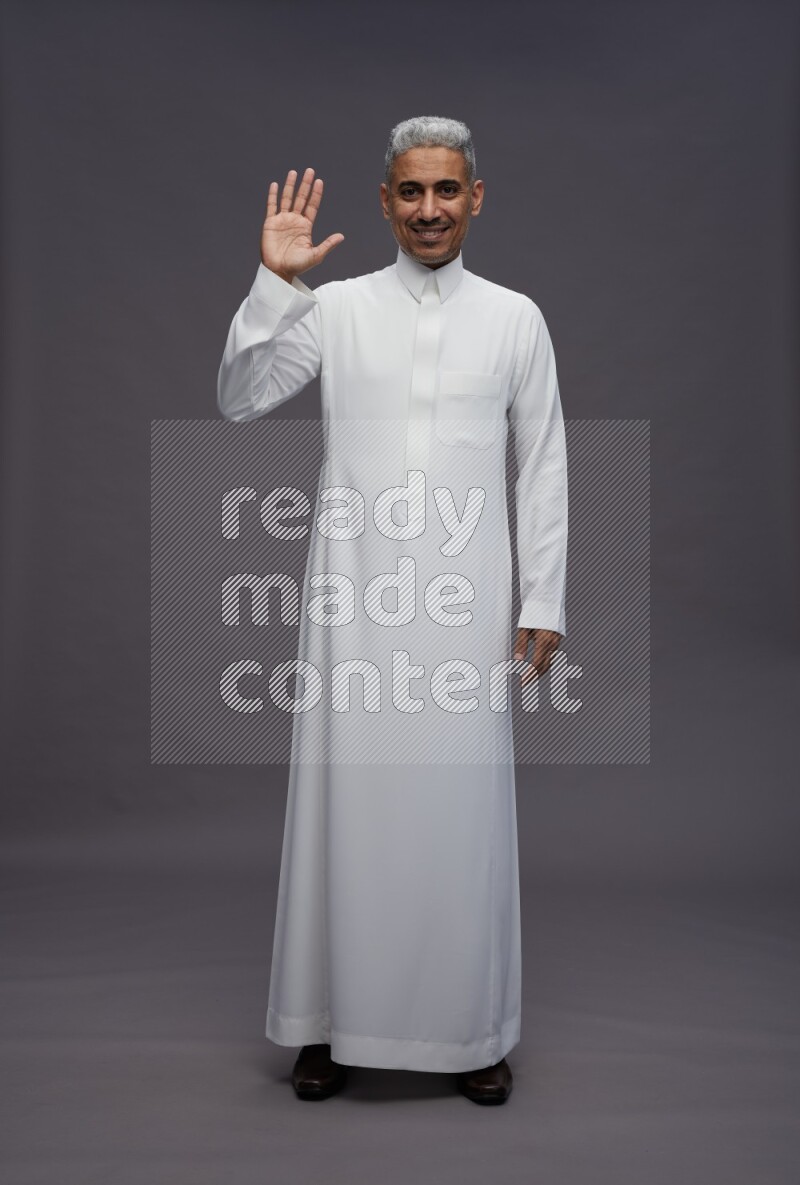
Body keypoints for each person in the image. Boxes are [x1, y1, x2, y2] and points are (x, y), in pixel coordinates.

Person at [217, 116, 568, 1105]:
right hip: (352, 601)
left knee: (457, 817)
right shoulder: (334, 309)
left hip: (466, 610)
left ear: (475, 198)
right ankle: (327, 1026)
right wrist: (274, 285)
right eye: (409, 192)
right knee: (345, 805)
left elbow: (541, 465)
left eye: (444, 191)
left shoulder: (513, 318)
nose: (427, 210)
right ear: (383, 202)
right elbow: (240, 397)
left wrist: (541, 596)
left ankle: (469, 1033)